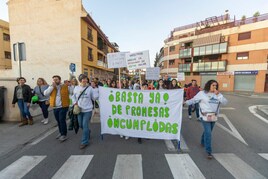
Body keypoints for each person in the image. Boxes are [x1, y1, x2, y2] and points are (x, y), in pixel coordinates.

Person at [185, 80, 227, 159]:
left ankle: (202, 141)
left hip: (213, 116)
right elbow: (193, 100)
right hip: (204, 116)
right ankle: (209, 151)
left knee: (208, 131)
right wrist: (185, 102)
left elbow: (225, 102)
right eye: (213, 85)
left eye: (216, 85)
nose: (214, 87)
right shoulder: (202, 93)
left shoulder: (218, 94)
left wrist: (218, 95)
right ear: (209, 85)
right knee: (208, 133)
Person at [72, 74, 99, 149]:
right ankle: (87, 132)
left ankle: (84, 141)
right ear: (80, 80)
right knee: (80, 125)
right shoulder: (76, 88)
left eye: (85, 79)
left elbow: (94, 98)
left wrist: (96, 91)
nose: (84, 80)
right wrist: (75, 103)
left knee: (85, 125)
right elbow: (73, 97)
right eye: (83, 79)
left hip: (88, 110)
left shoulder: (90, 88)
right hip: (79, 110)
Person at [44, 75, 70, 142]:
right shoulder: (51, 87)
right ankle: (61, 132)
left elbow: (72, 92)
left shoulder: (65, 86)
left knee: (61, 120)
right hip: (55, 107)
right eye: (54, 79)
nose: (55, 81)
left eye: (56, 79)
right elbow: (45, 93)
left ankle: (64, 134)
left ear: (60, 80)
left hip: (63, 106)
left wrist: (70, 84)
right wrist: (52, 87)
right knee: (58, 121)